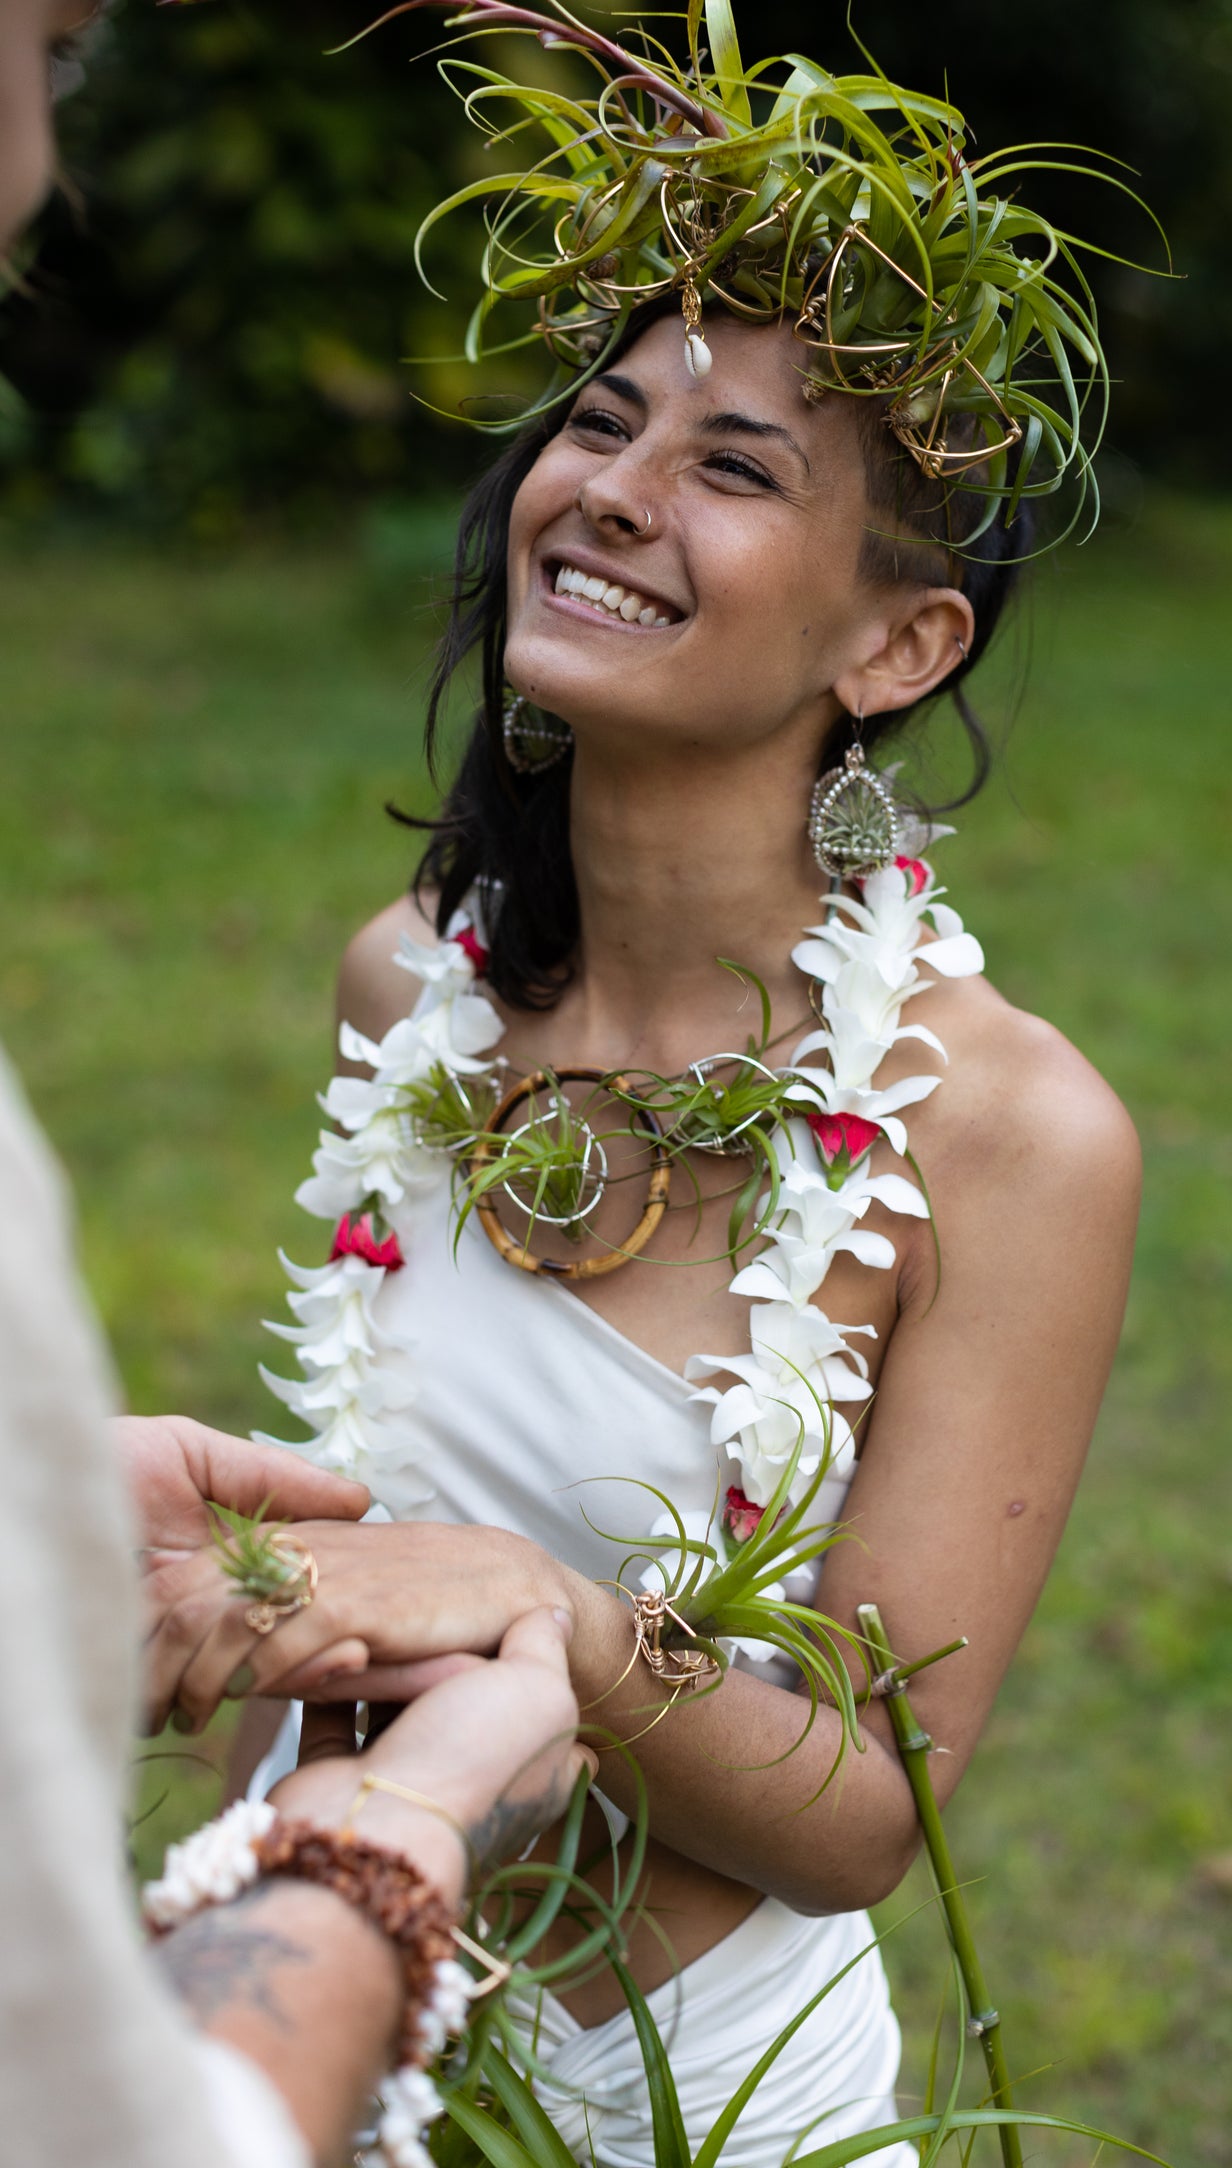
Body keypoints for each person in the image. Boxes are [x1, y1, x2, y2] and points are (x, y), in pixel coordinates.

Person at [145, 8, 1145, 2165]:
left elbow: (867, 1820)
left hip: (699, 2102)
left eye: (737, 466)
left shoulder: (1007, 1135)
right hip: (307, 2006)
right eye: (600, 426)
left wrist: (545, 1615)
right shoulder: (407, 993)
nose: (607, 489)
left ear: (899, 648)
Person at [0, 6, 585, 2164]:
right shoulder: (408, 991)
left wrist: (61, 1557)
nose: (55, 149)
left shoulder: (1004, 1120)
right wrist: (393, 1833)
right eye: (52, 42)